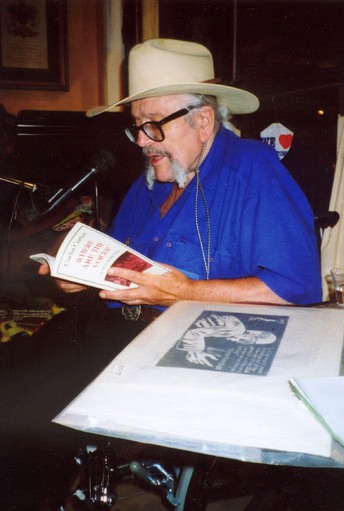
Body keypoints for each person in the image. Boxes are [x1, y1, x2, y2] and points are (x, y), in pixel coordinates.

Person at [0, 38, 322, 510]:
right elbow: (122, 264)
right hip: (105, 331)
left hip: (174, 351)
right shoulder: (150, 182)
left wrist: (186, 291)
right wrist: (83, 273)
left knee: (17, 422)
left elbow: (297, 288)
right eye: (136, 129)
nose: (143, 143)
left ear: (204, 120)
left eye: (153, 126)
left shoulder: (251, 168)